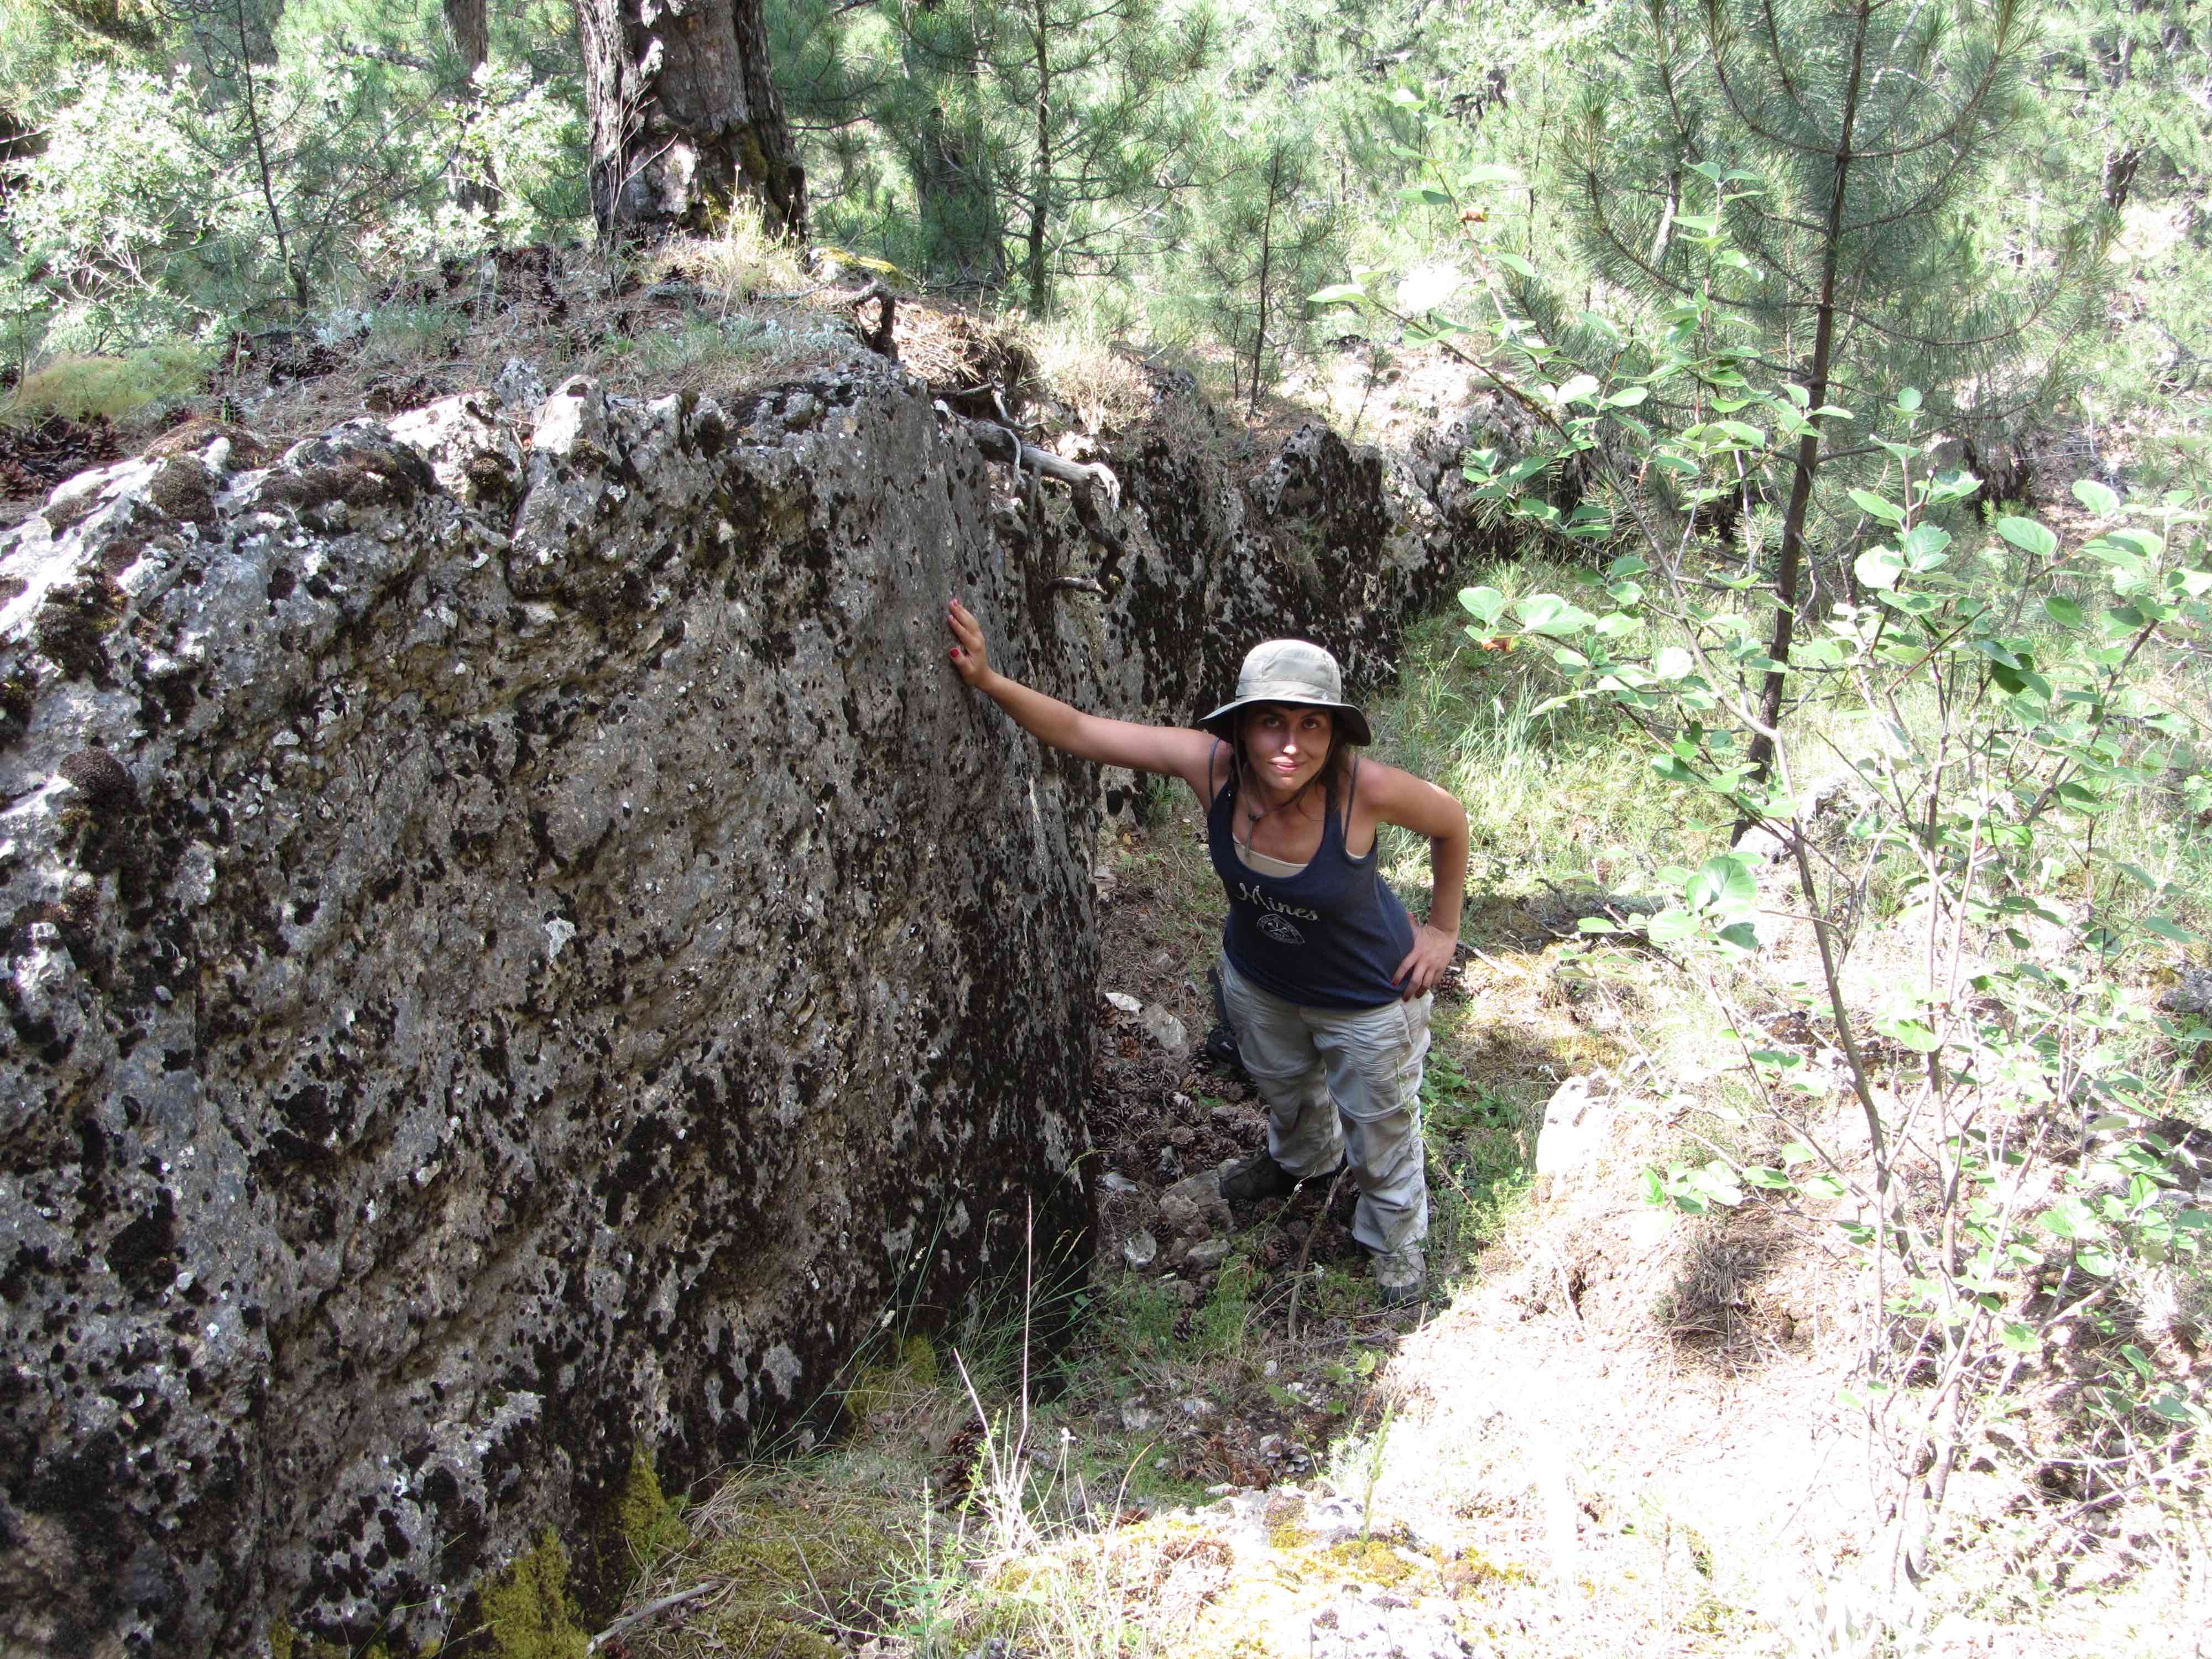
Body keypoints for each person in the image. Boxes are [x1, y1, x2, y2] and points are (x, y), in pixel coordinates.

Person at [946, 599, 1470, 1305]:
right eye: (1272, 722)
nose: (1291, 744)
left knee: (1380, 1131)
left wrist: (1442, 930)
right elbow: (1079, 732)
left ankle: (1396, 1243)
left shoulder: (1363, 791)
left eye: (1312, 724)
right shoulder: (1213, 769)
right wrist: (989, 681)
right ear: (1243, 727)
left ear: (1335, 732)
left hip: (1366, 997)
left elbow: (1451, 819)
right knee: (1283, 1091)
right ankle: (1302, 1165)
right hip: (1261, 982)